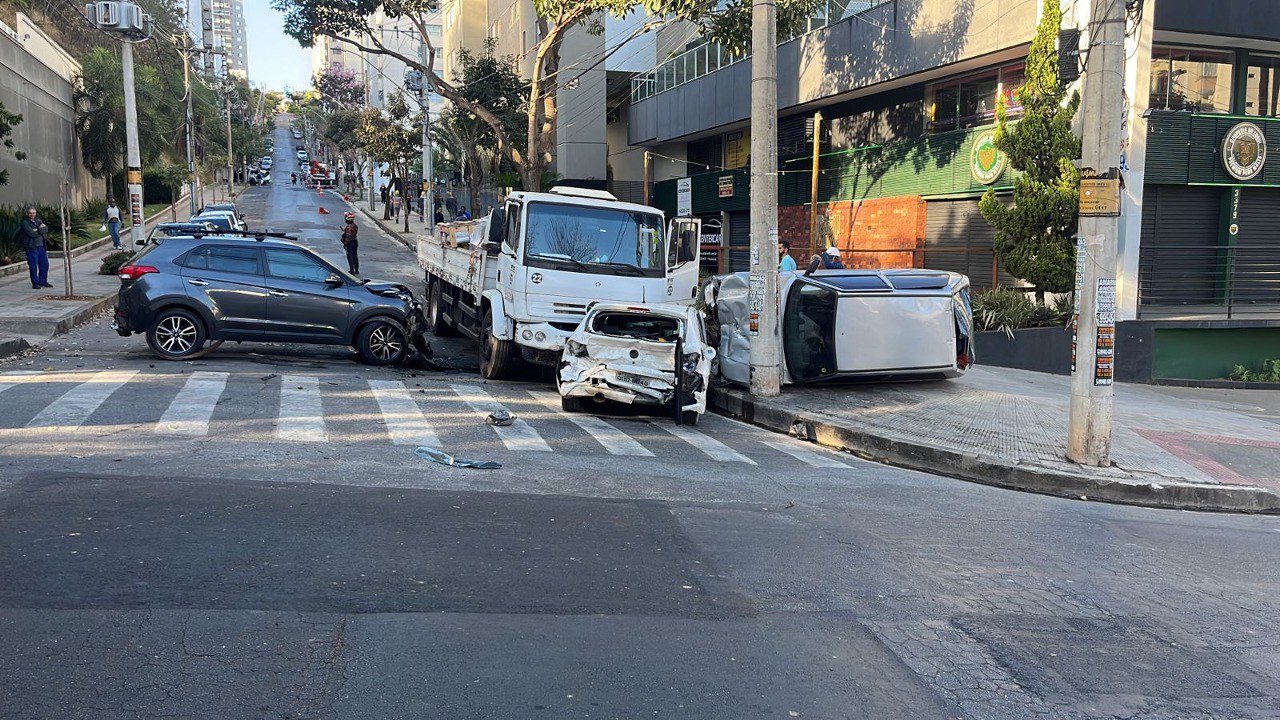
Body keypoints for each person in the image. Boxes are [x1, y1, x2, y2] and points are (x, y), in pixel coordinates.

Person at [20, 207, 52, 289]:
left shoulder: (38, 220)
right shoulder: (25, 223)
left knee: (45, 265)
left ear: (36, 213)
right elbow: (31, 233)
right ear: (27, 213)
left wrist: (37, 230)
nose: (32, 214)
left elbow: (45, 230)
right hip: (32, 247)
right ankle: (35, 283)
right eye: (30, 213)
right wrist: (40, 229)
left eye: (33, 213)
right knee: (33, 266)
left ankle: (43, 281)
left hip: (41, 247)